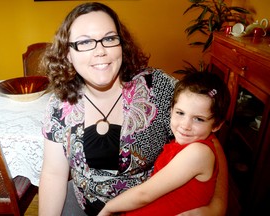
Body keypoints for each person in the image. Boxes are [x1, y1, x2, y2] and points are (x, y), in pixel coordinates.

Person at [38, 2, 228, 216]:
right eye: (84, 42)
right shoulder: (59, 105)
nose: (100, 51)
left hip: (152, 209)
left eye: (109, 38)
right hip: (85, 206)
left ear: (122, 44)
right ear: (68, 54)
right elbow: (53, 173)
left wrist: (217, 206)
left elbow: (208, 139)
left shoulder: (158, 88)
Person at [98, 72, 231, 216]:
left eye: (199, 119)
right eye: (180, 113)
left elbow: (144, 194)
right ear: (171, 110)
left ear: (216, 125)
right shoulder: (183, 144)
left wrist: (108, 208)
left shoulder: (198, 152)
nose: (185, 125)